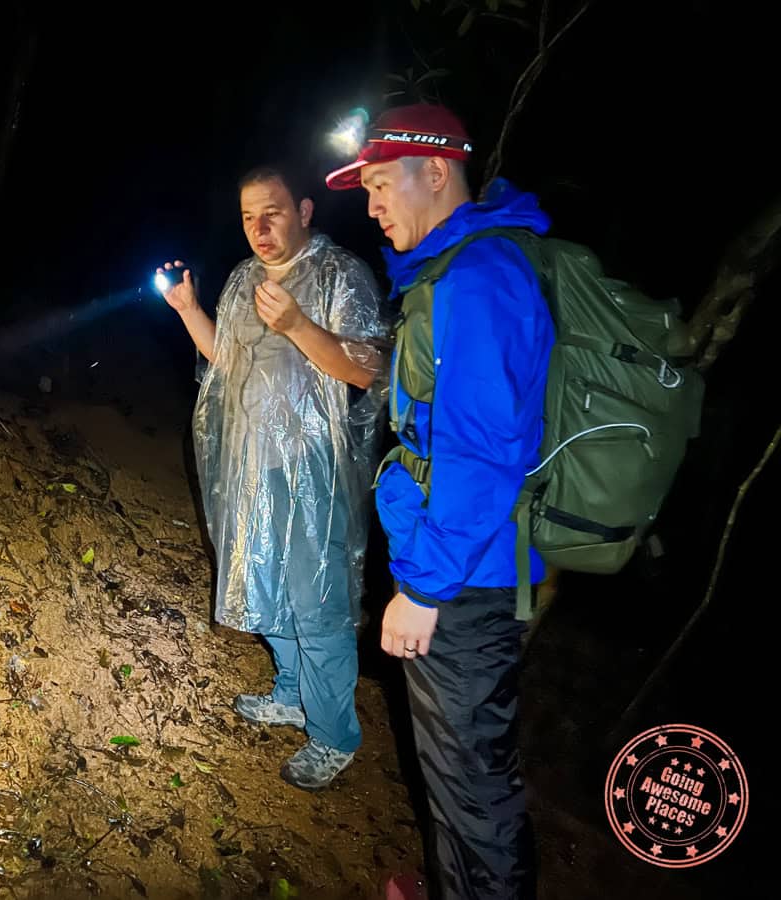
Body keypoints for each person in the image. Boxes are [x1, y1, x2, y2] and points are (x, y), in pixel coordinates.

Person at [325, 103, 553, 898]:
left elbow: (483, 454)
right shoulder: (457, 272)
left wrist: (423, 587)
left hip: (465, 581)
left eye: (382, 184)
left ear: (435, 171)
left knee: (474, 785)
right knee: (460, 772)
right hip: (467, 567)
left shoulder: (479, 280)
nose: (374, 203)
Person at [159, 163, 392, 790]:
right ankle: (291, 693)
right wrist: (188, 310)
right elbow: (227, 362)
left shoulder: (342, 276)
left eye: (273, 212)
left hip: (315, 471)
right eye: (247, 217)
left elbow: (367, 370)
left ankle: (335, 734)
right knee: (262, 581)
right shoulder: (241, 281)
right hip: (252, 462)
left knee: (317, 601)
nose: (259, 229)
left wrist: (296, 324)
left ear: (306, 211)